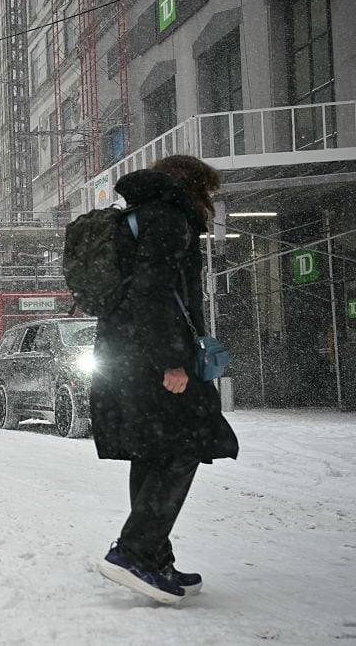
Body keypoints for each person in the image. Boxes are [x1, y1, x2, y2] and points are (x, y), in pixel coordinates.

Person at [90, 157, 239, 604]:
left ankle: (154, 556)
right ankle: (135, 552)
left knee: (152, 448)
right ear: (191, 187)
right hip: (150, 356)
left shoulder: (133, 217)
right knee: (185, 442)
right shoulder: (168, 219)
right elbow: (153, 292)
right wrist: (171, 361)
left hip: (122, 352)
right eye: (207, 192)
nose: (208, 202)